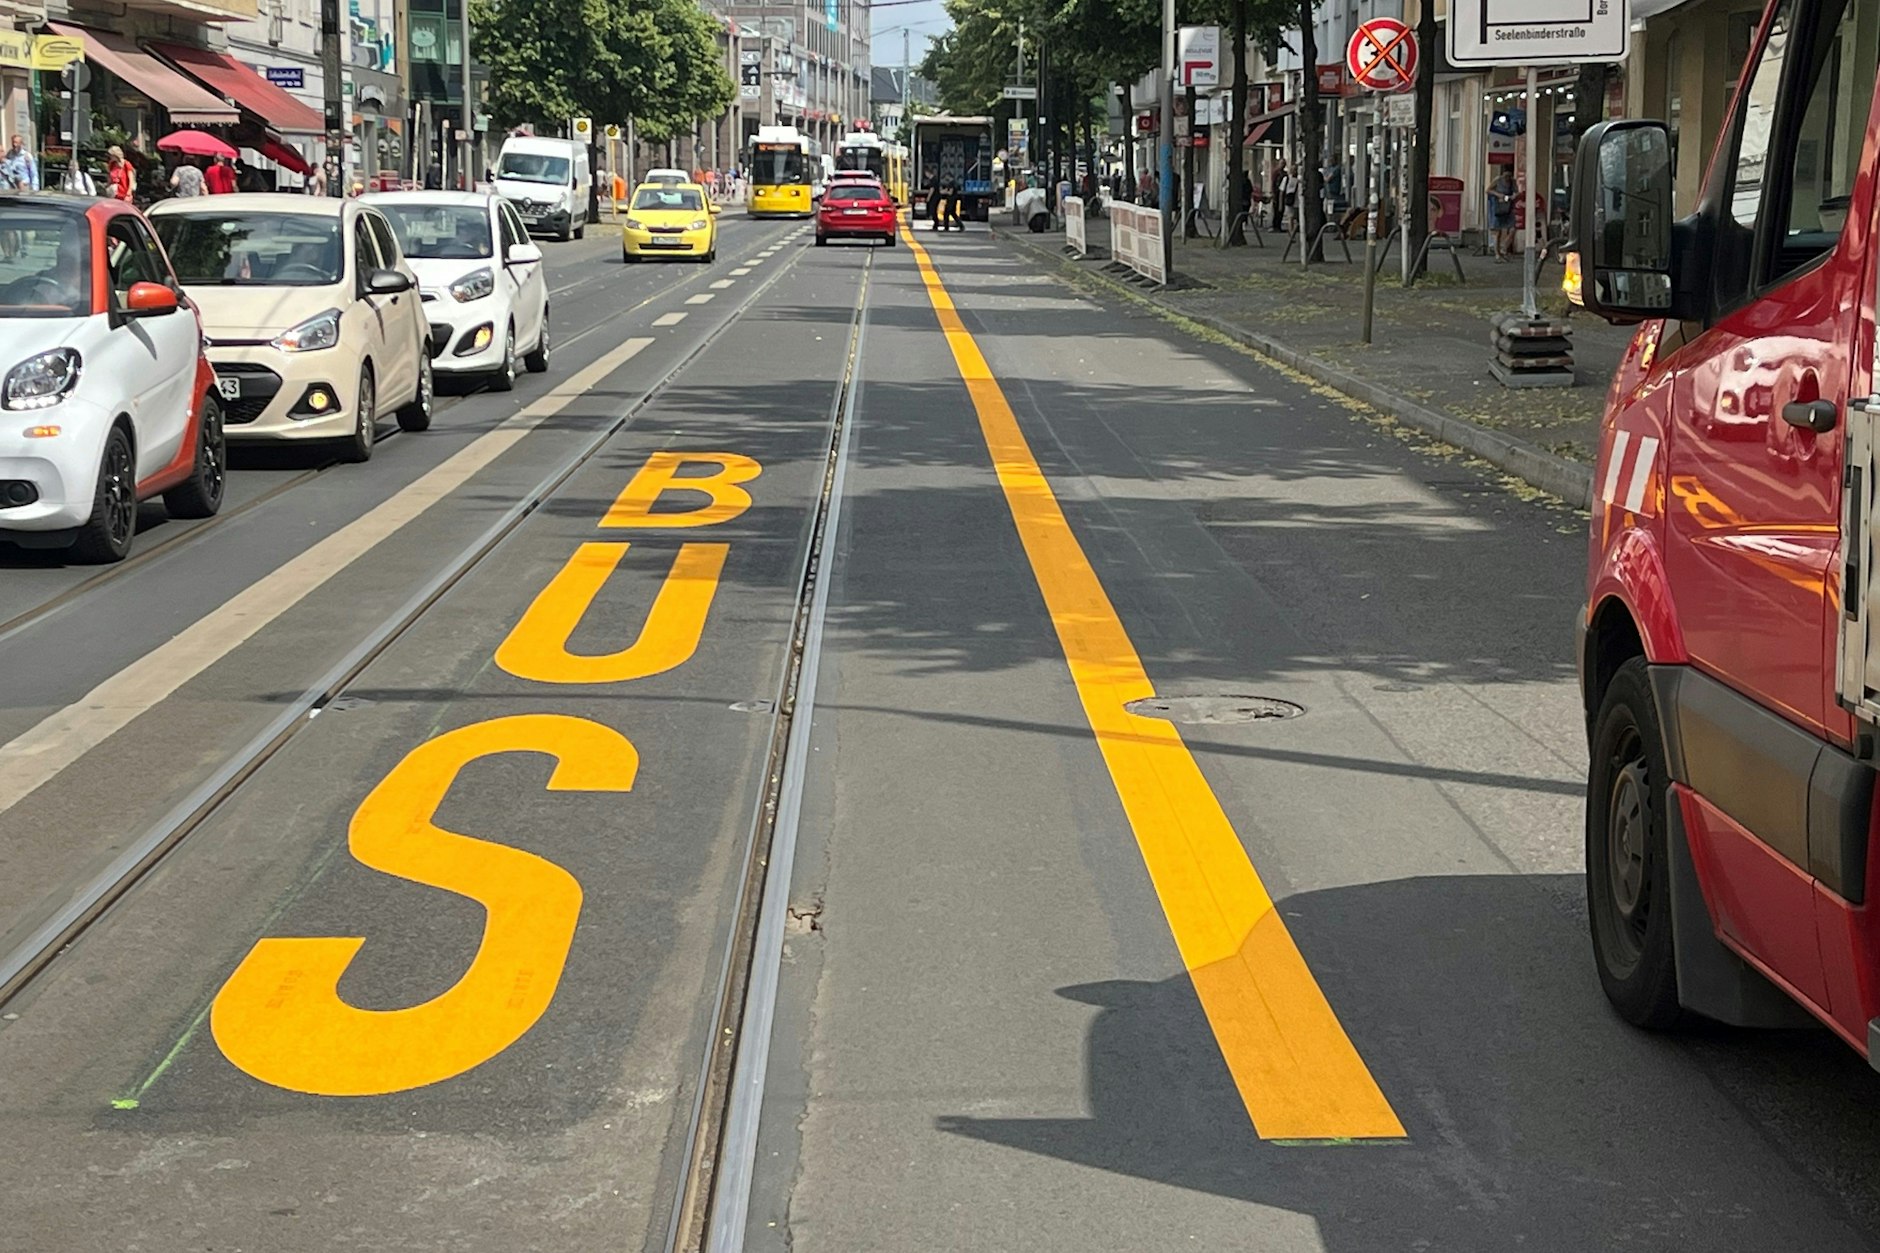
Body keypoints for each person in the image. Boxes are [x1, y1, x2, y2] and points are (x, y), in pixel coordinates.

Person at [1488, 168, 1516, 261]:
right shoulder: (1497, 180)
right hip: (1498, 207)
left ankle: (1504, 248)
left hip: (1508, 207)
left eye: (1509, 176)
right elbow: (1488, 190)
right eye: (1505, 176)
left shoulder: (1513, 182)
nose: (1507, 178)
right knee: (1498, 231)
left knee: (1512, 229)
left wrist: (1514, 196)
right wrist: (1498, 195)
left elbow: (1517, 191)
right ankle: (1497, 254)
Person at [1267, 159, 1286, 230]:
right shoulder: (1276, 172)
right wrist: (1273, 193)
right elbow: (1273, 182)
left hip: (1282, 193)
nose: (1283, 165)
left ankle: (1278, 224)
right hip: (1276, 193)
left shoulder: (1284, 173)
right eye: (1282, 163)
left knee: (1281, 209)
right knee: (1276, 209)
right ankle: (1275, 225)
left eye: (1284, 164)